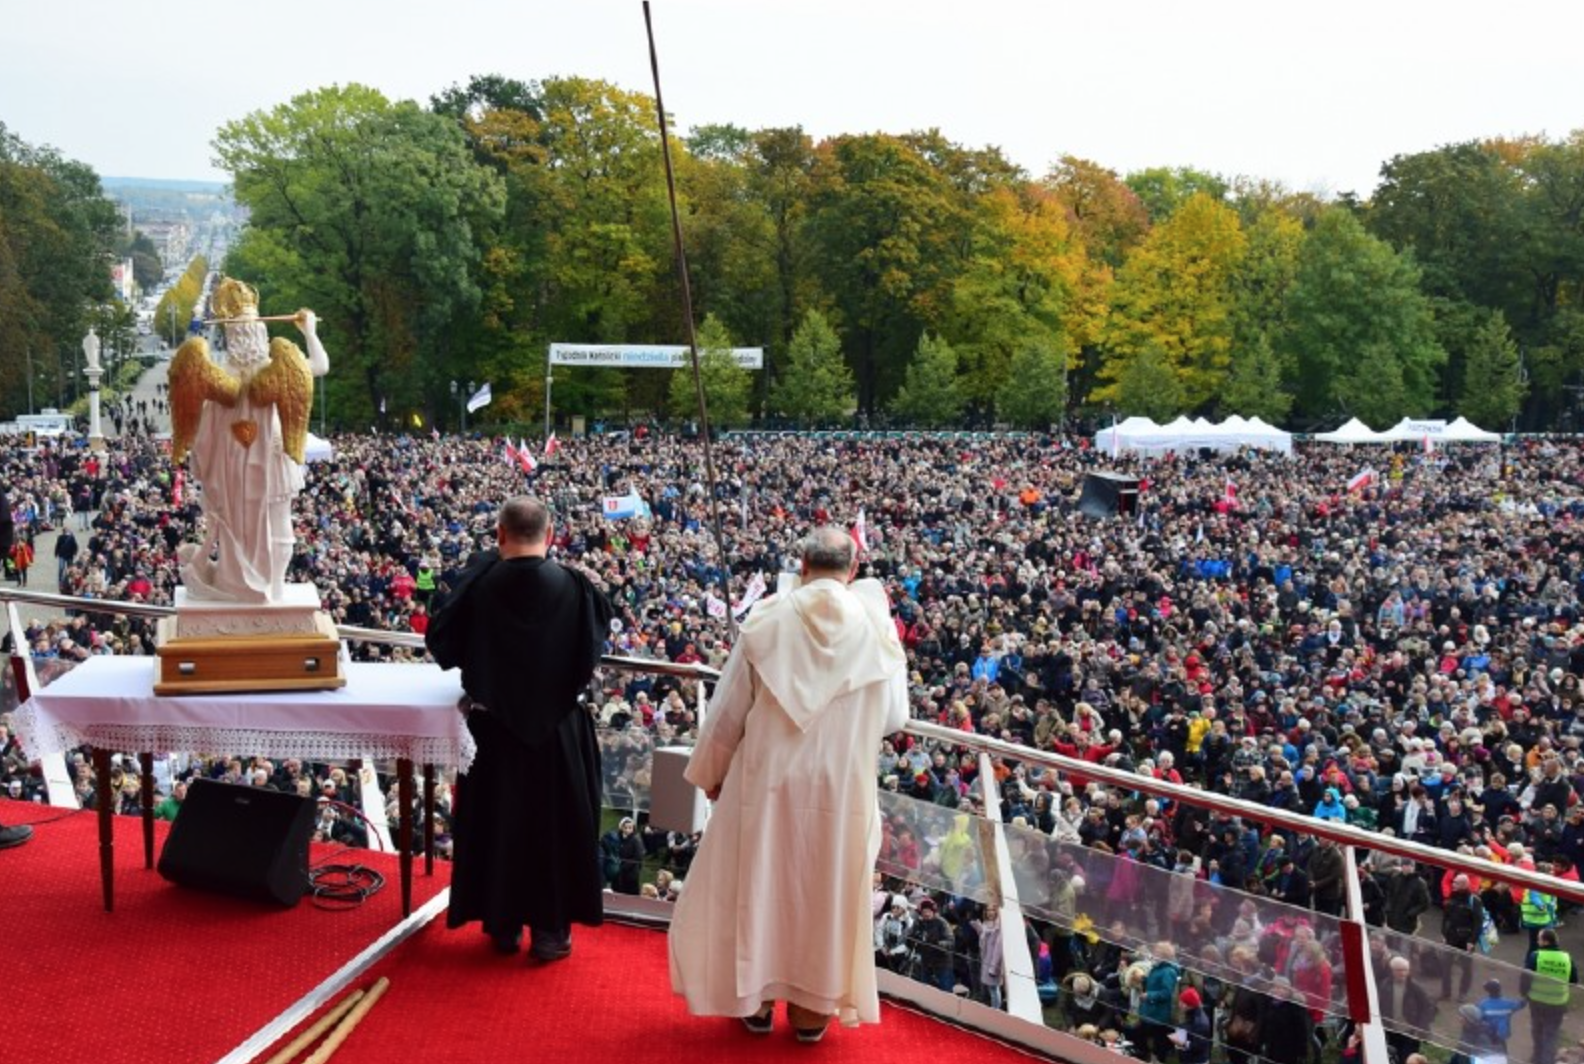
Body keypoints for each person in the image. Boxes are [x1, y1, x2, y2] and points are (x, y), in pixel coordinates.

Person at [669, 526, 909, 1043]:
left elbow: (727, 713)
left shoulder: (769, 618)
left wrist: (711, 774)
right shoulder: (877, 628)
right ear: (853, 571)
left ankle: (756, 1003)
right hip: (841, 787)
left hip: (767, 783)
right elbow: (894, 717)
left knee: (759, 887)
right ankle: (811, 1012)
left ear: (802, 566)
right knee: (824, 895)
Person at [425, 495, 614, 963]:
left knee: (499, 826)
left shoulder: (478, 584)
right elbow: (591, 651)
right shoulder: (578, 586)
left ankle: (502, 923)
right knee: (554, 829)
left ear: (499, 535)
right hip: (558, 730)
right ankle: (550, 931)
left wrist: (481, 570)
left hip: (493, 731)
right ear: (550, 535)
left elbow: (443, 645)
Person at [169, 276, 328, 603]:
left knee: (240, 524)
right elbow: (320, 365)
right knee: (277, 522)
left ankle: (247, 583)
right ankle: (272, 588)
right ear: (261, 333)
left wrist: (204, 460)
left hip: (234, 462)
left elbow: (205, 424)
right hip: (269, 455)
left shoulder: (221, 373)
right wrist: (309, 332)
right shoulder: (276, 366)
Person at [1522, 928, 1578, 1064]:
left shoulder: (1536, 956)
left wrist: (1525, 993)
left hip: (1537, 1001)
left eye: (1539, 939)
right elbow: (1574, 980)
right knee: (1551, 1034)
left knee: (1537, 1030)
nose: (1537, 942)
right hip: (1558, 1003)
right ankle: (1547, 1060)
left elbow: (1526, 978)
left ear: (1546, 942)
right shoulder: (1567, 958)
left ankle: (1537, 1057)